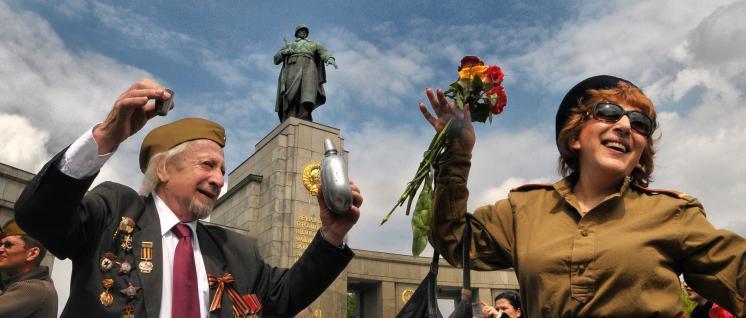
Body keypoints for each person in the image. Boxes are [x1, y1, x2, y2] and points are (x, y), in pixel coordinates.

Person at [14, 79, 363, 317]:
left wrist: (333, 233)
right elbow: (38, 216)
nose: (218, 180)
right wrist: (106, 136)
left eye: (222, 170)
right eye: (207, 165)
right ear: (164, 169)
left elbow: (283, 298)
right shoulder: (114, 209)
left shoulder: (234, 249)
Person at [420, 75, 746, 317]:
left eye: (639, 123)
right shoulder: (524, 209)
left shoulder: (674, 212)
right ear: (574, 136)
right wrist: (456, 157)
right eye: (607, 112)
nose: (624, 125)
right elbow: (453, 241)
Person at [274, 24, 337, 122]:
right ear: (297, 33)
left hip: (309, 68)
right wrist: (284, 52)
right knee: (291, 94)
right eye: (301, 30)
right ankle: (291, 114)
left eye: (305, 31)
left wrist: (330, 59)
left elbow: (324, 52)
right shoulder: (290, 44)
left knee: (307, 93)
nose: (303, 32)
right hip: (292, 68)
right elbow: (276, 59)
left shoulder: (314, 44)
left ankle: (304, 115)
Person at [0, 219, 57, 318]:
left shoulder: (33, 288)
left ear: (32, 253)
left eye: (8, 245)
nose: (0, 249)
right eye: (0, 244)